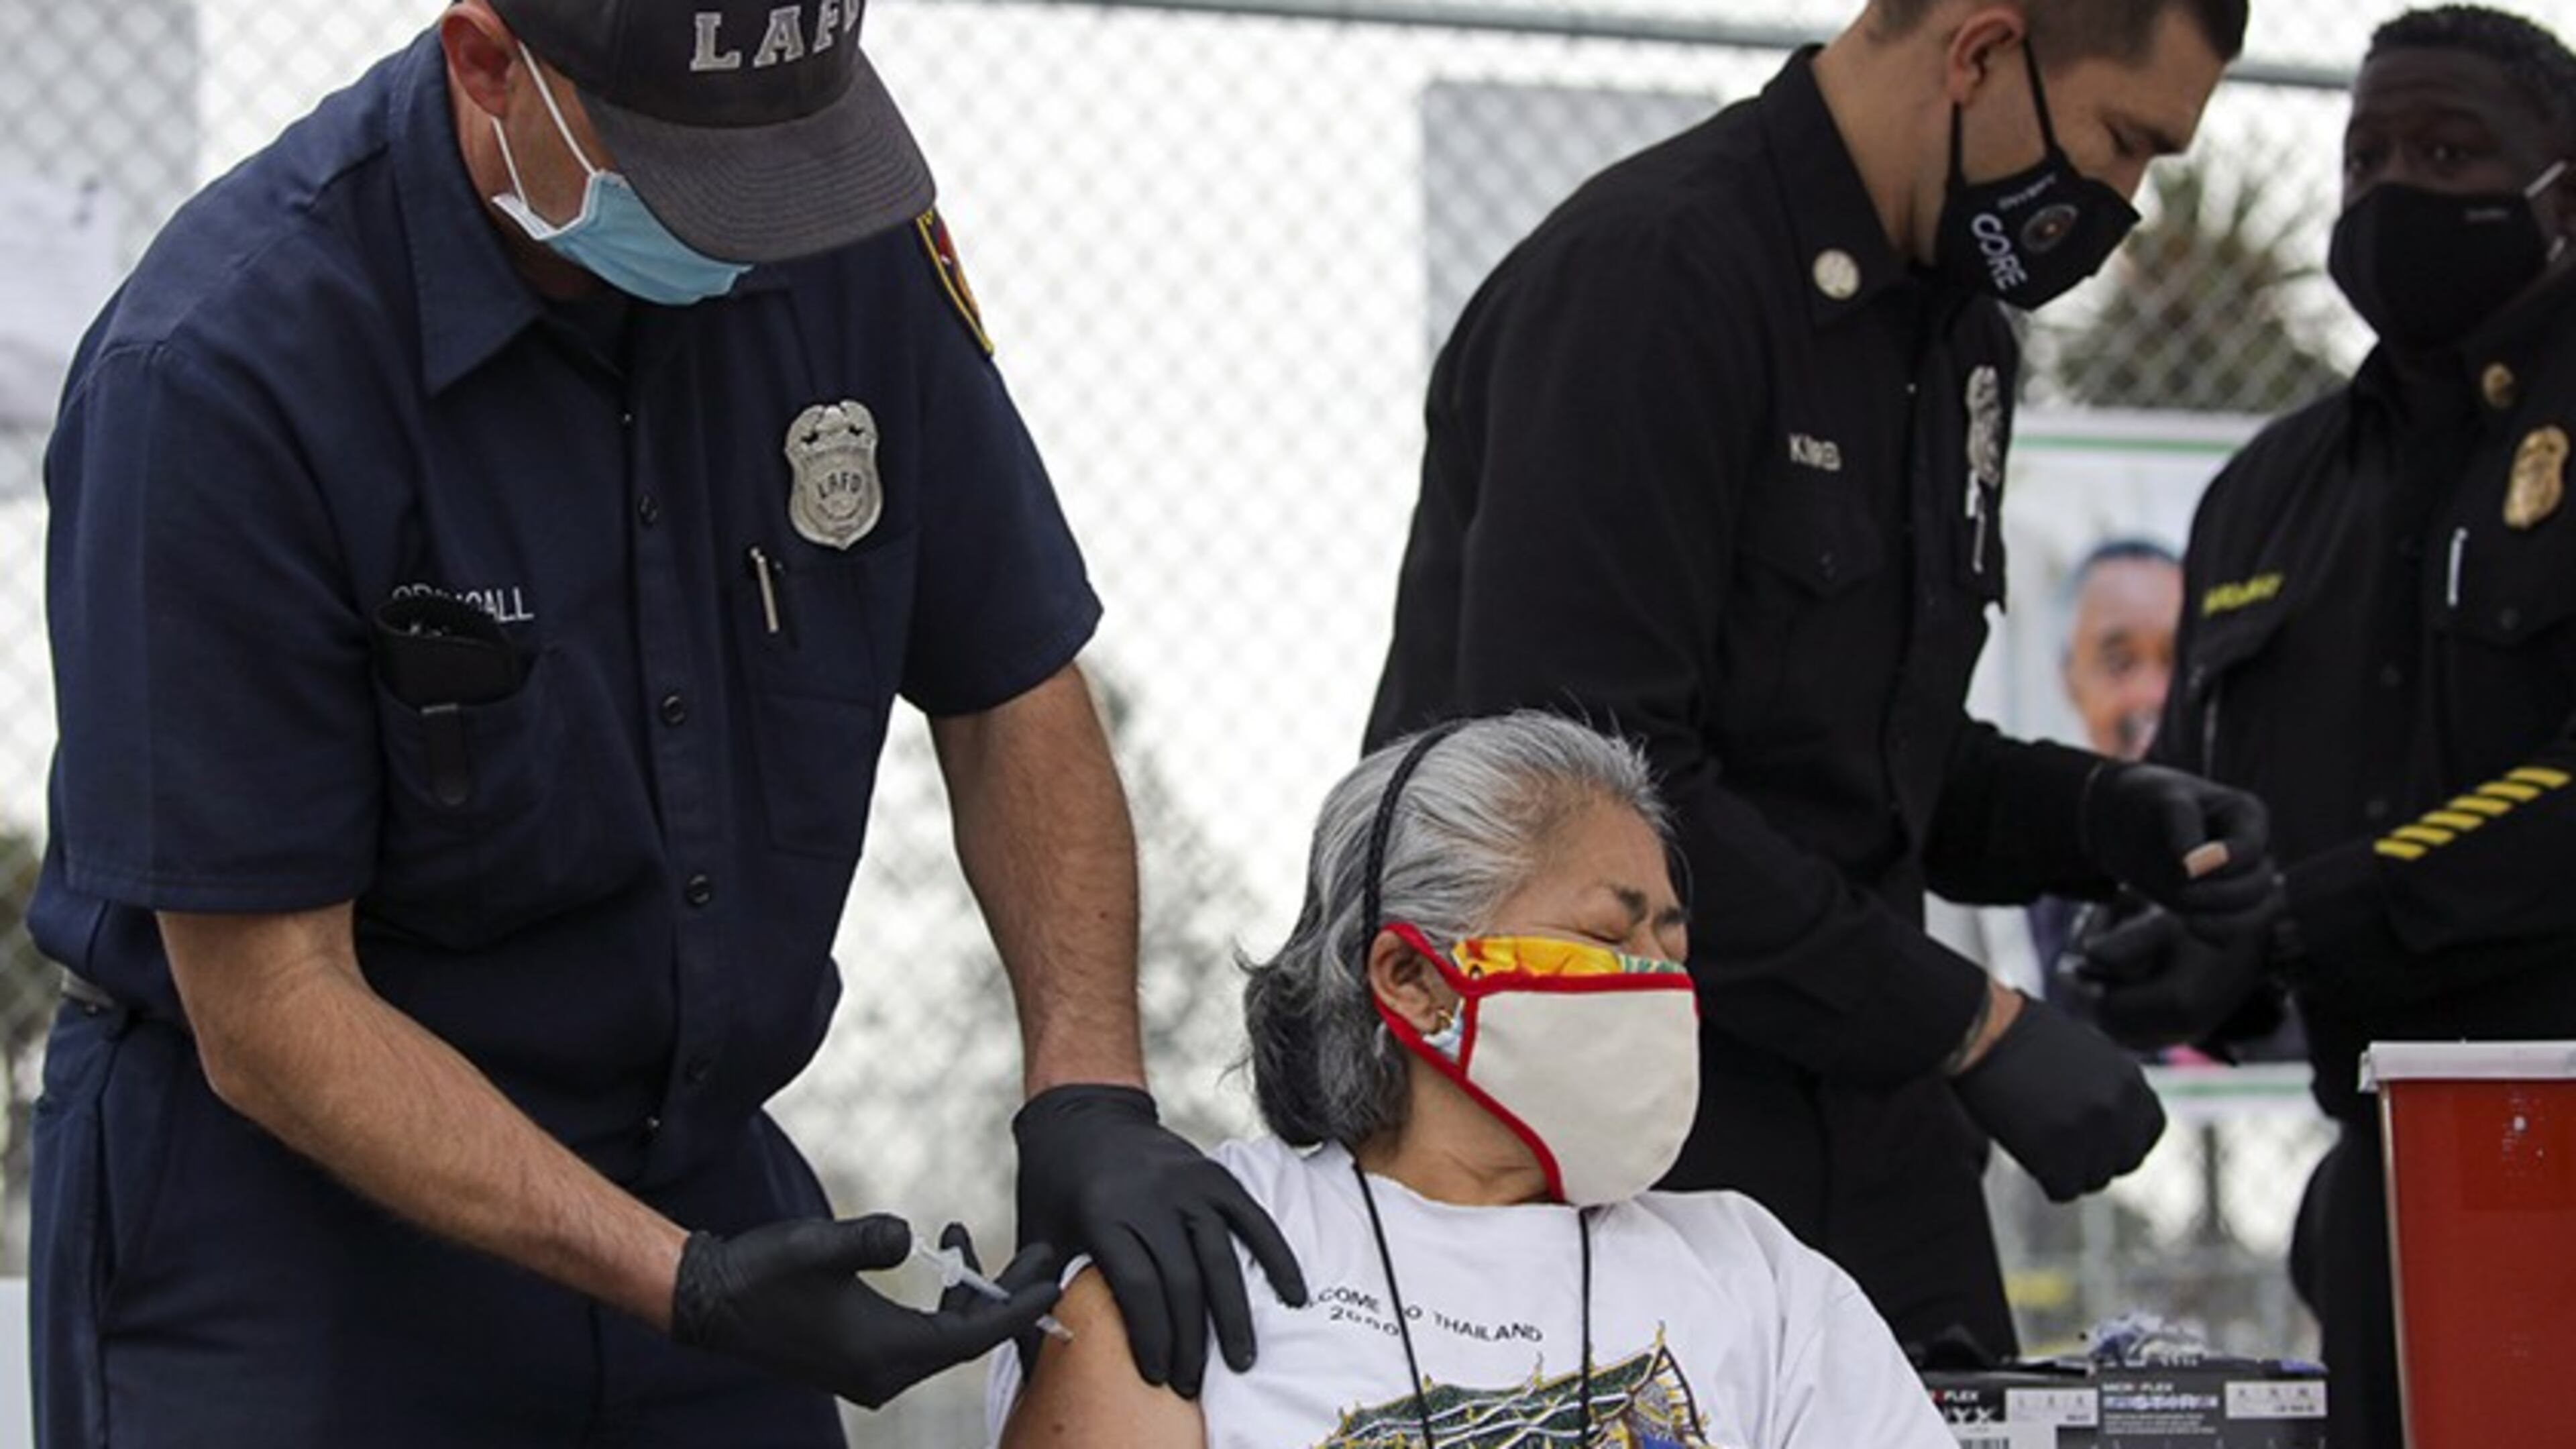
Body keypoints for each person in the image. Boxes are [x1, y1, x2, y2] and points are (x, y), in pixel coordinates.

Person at [28, 1, 1301, 1444]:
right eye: (689, 171)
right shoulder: (221, 369)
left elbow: (1011, 685)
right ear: (487, 62)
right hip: (288, 1224)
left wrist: (1088, 1091)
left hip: (688, 1170)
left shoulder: (828, 234)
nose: (752, 229)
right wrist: (684, 1286)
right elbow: (270, 1009)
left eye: (783, 160)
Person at [1365, 0, 2273, 1360]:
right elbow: (1585, 789)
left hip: (1861, 1099)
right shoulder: (1656, 281)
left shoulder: (1958, 338)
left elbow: (1870, 758)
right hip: (1603, 1122)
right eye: (2123, 143)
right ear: (1979, 48)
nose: (2121, 203)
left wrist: (2107, 817)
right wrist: (1973, 1023)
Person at [2076, 8, 2576, 1444]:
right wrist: (2174, 946)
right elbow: (2205, 821)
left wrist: (2301, 914)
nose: (2396, 193)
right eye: (2366, 159)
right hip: (2394, 1177)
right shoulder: (2267, 493)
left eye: (2450, 150)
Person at [991, 714, 1960, 1449]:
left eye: (1671, 943)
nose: (1659, 983)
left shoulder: (1759, 1277)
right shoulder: (1200, 1251)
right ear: (1413, 982)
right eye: (1608, 936)